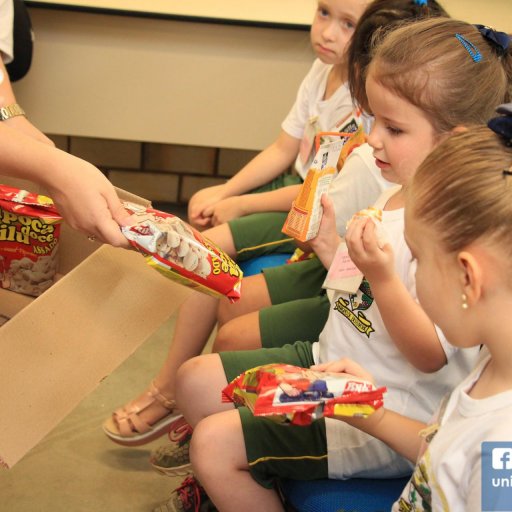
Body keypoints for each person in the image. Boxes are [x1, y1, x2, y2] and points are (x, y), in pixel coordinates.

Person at [163, 18, 511, 511]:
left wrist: (386, 278)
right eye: (372, 120)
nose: (370, 139)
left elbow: (434, 355)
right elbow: (356, 296)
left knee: (213, 442)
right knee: (195, 380)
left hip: (386, 403)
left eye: (393, 127)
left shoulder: (444, 234)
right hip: (344, 371)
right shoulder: (396, 196)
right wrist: (332, 252)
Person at [101, 0, 448, 449]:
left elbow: (425, 355)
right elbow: (291, 156)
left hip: (348, 320)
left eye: (348, 25)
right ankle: (183, 401)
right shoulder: (359, 125)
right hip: (338, 283)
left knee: (220, 295)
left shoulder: (378, 161)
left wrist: (243, 204)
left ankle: (180, 403)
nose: (328, 33)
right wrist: (230, 194)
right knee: (216, 291)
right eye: (323, 13)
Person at [323, 106, 512, 511]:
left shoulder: (503, 448)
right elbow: (443, 451)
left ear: (468, 276)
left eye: (418, 259)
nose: (416, 275)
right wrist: (369, 413)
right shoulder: (494, 366)